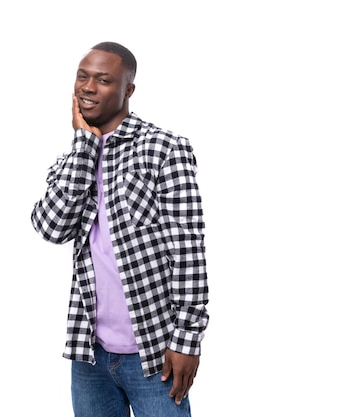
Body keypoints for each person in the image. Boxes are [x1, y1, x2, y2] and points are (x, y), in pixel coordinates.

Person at [30, 41, 209, 417]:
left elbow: (188, 250)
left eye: (103, 79)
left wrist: (187, 340)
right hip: (89, 355)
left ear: (128, 89)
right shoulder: (71, 160)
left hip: (154, 352)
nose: (88, 87)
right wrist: (84, 147)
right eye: (82, 76)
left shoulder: (163, 148)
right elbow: (50, 227)